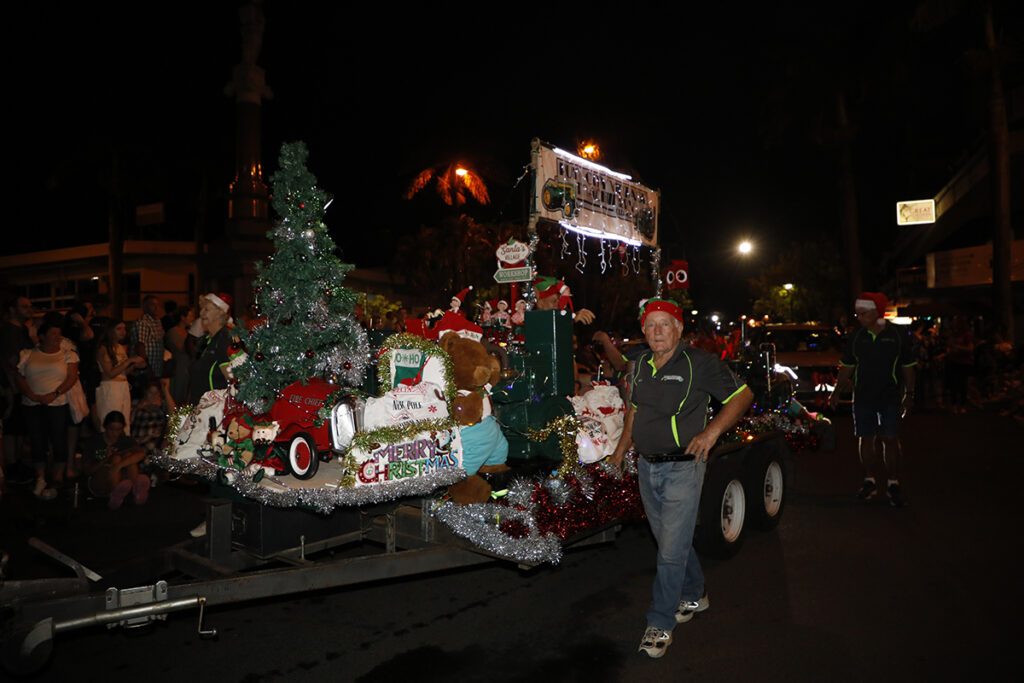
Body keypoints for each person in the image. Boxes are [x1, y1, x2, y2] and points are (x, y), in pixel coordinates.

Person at [609, 298, 752, 659]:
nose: (658, 331)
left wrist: (711, 433)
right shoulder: (639, 363)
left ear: (679, 329)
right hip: (646, 465)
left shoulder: (699, 363)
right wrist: (621, 450)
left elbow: (742, 395)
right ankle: (695, 593)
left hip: (683, 466)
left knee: (669, 551)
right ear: (643, 330)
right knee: (671, 539)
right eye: (651, 325)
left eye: (665, 324)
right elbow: (634, 411)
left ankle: (660, 623)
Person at [828, 292, 915, 507]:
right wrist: (837, 391)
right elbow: (848, 366)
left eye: (863, 313)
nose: (858, 317)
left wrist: (910, 394)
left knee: (889, 438)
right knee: (866, 438)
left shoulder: (897, 335)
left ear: (877, 312)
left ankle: (893, 482)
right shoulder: (857, 336)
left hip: (890, 396)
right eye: (857, 313)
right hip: (863, 396)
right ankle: (870, 480)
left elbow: (908, 366)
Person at [15, 319, 80, 500]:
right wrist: (31, 394)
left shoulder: (68, 354)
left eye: (59, 333)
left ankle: (57, 476)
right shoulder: (28, 354)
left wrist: (55, 393)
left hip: (57, 403)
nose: (57, 337)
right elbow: (19, 377)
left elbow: (71, 377)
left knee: (59, 438)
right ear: (42, 336)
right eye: (53, 333)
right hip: (32, 404)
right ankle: (41, 477)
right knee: (37, 439)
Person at [81, 410, 148, 509]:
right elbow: (87, 471)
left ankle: (136, 492)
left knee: (128, 458)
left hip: (121, 478)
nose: (115, 433)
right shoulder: (94, 441)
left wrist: (118, 466)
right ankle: (116, 493)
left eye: (119, 429)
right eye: (112, 429)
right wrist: (105, 460)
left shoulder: (126, 440)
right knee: (116, 459)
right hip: (99, 481)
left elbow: (141, 453)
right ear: (105, 427)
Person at [96, 320, 146, 432]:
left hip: (123, 386)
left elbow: (122, 371)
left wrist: (135, 366)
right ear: (110, 331)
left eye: (124, 329)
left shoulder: (120, 347)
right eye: (119, 329)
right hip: (110, 387)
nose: (123, 332)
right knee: (111, 419)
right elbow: (110, 373)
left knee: (125, 421)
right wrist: (129, 361)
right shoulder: (104, 348)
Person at [188, 293, 234, 405]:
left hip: (214, 411)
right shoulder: (204, 340)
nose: (201, 313)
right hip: (199, 408)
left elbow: (231, 380)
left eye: (206, 309)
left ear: (220, 313)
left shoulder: (224, 341)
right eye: (201, 309)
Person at [129, 294, 164, 380]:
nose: (156, 308)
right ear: (145, 307)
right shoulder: (143, 322)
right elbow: (140, 345)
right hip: (146, 369)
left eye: (158, 305)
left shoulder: (157, 322)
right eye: (153, 305)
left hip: (157, 367)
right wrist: (147, 366)